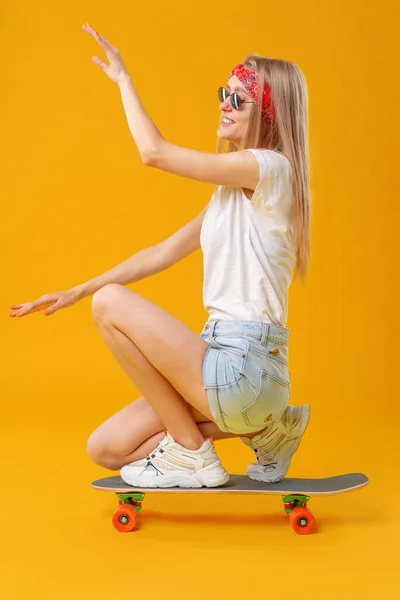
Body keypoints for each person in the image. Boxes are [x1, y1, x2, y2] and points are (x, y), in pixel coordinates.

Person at [9, 23, 311, 489]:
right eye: (223, 94)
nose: (223, 106)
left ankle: (193, 453)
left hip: (244, 366)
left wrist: (124, 80)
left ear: (268, 116)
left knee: (110, 304)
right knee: (107, 447)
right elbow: (164, 252)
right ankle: (268, 428)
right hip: (228, 373)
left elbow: (154, 153)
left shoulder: (268, 168)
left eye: (238, 100)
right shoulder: (230, 195)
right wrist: (76, 290)